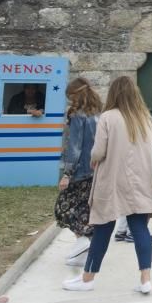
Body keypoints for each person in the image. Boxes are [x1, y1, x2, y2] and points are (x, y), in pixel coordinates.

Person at [62, 77, 152, 293]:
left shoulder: (108, 117)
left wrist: (93, 158)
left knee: (102, 229)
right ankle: (146, 280)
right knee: (140, 228)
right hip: (140, 180)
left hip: (112, 180)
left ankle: (88, 279)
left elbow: (98, 151)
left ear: (113, 94)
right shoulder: (146, 118)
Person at [56, 78, 102, 267]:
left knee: (63, 208)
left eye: (70, 97)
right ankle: (83, 250)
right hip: (95, 170)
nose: (69, 101)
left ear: (76, 95)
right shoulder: (98, 114)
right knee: (85, 209)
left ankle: (82, 242)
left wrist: (67, 173)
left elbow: (74, 147)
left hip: (80, 171)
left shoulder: (78, 116)